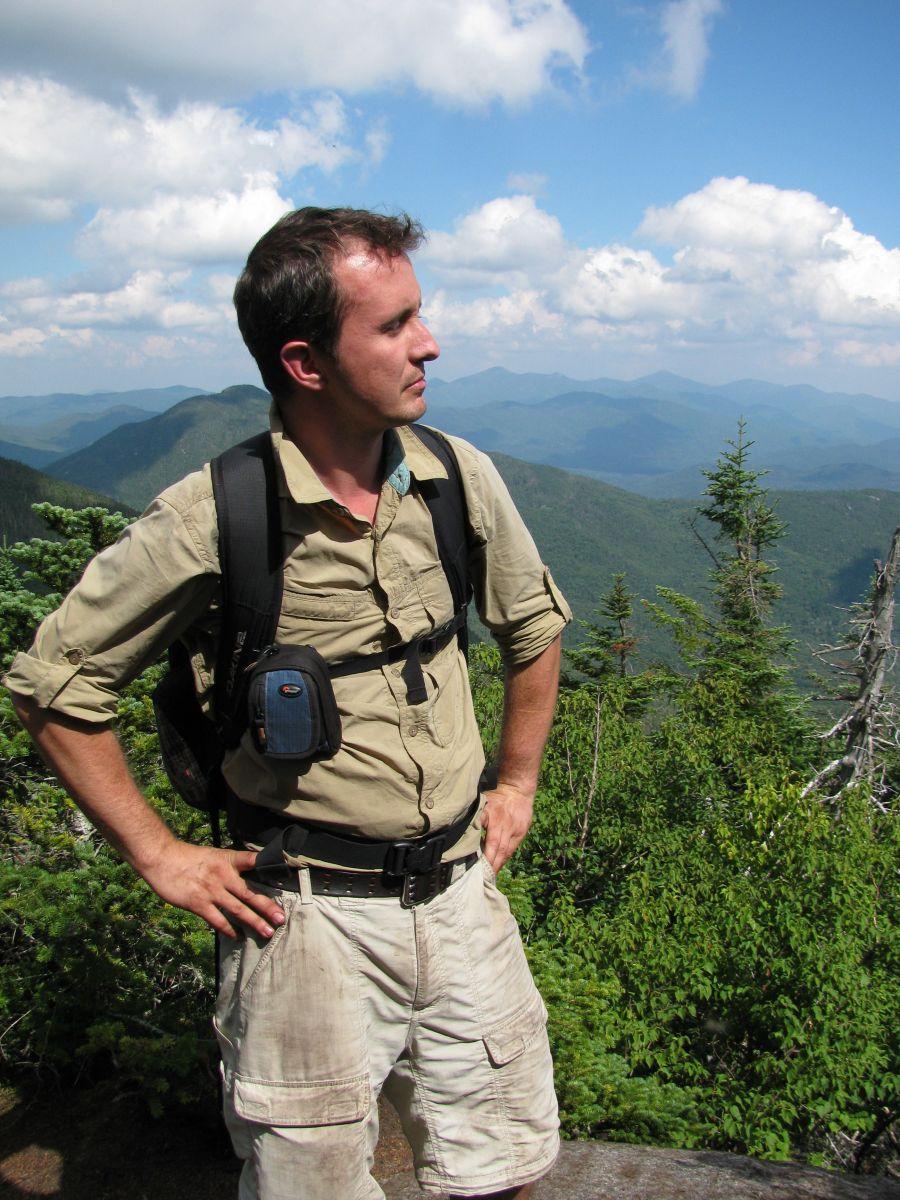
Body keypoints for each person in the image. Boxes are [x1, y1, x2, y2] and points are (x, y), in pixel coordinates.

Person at [5, 207, 572, 1200]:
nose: (428, 342)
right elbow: (53, 686)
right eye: (394, 324)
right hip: (302, 923)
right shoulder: (217, 517)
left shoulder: (450, 477)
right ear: (306, 363)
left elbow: (535, 626)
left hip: (459, 895)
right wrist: (159, 854)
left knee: (504, 1175)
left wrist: (517, 782)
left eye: (418, 315)